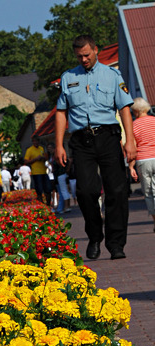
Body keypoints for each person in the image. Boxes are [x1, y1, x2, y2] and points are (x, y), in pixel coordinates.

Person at [55, 34, 136, 260]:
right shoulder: (68, 77)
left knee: (117, 190)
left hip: (108, 137)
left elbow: (125, 109)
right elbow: (61, 112)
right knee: (86, 191)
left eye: (87, 55)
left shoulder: (112, 75)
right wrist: (59, 145)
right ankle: (94, 235)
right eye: (79, 56)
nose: (83, 60)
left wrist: (130, 141)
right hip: (81, 140)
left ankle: (116, 243)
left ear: (96, 50)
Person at [129, 97, 155, 232]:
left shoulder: (134, 125)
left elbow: (133, 147)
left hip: (143, 159)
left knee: (148, 192)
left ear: (136, 111)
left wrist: (131, 166)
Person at [24, 136, 51, 205]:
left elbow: (46, 158)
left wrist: (43, 158)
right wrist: (35, 159)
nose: (36, 142)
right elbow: (26, 162)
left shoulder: (41, 148)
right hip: (36, 173)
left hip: (44, 171)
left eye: (37, 141)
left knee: (48, 189)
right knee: (39, 189)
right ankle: (41, 203)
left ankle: (48, 204)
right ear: (32, 142)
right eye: (34, 141)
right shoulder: (29, 150)